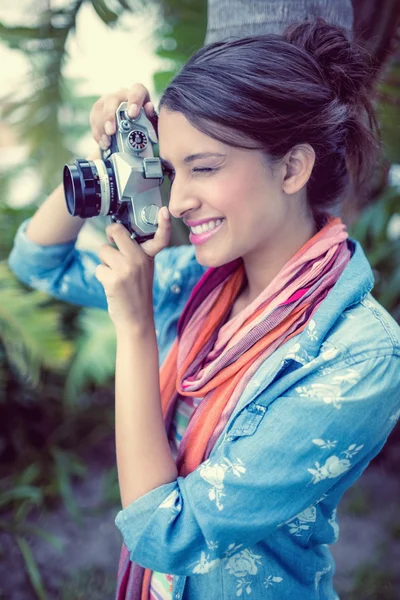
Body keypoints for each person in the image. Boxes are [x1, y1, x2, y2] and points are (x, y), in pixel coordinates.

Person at [8, 17, 400, 600]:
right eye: (171, 171)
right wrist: (108, 156)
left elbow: (166, 533)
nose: (181, 199)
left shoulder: (360, 355)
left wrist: (137, 331)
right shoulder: (198, 281)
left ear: (292, 168)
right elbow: (38, 262)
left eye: (205, 167)